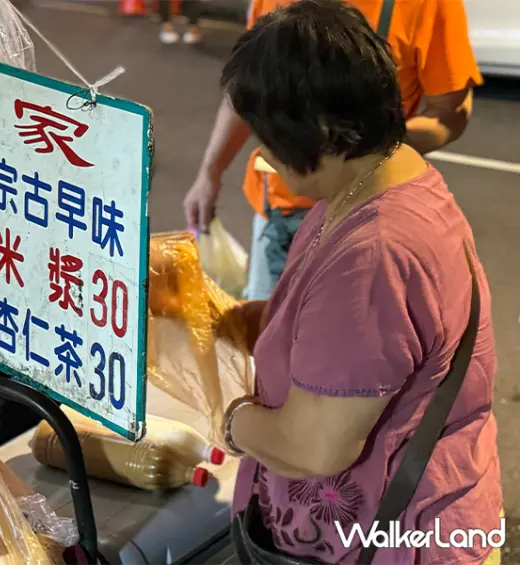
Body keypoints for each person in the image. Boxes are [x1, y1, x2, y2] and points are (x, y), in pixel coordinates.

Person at [217, 1, 501, 563]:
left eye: (269, 138)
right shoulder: (374, 179)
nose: (263, 155)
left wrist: (224, 417)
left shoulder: (375, 254)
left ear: (325, 132)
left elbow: (314, 447)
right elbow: (319, 332)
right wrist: (225, 320)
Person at [183, 0, 483, 300]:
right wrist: (210, 172)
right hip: (276, 212)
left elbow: (450, 113)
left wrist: (364, 147)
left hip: (358, 214)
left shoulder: (380, 248)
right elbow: (247, 89)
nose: (265, 152)